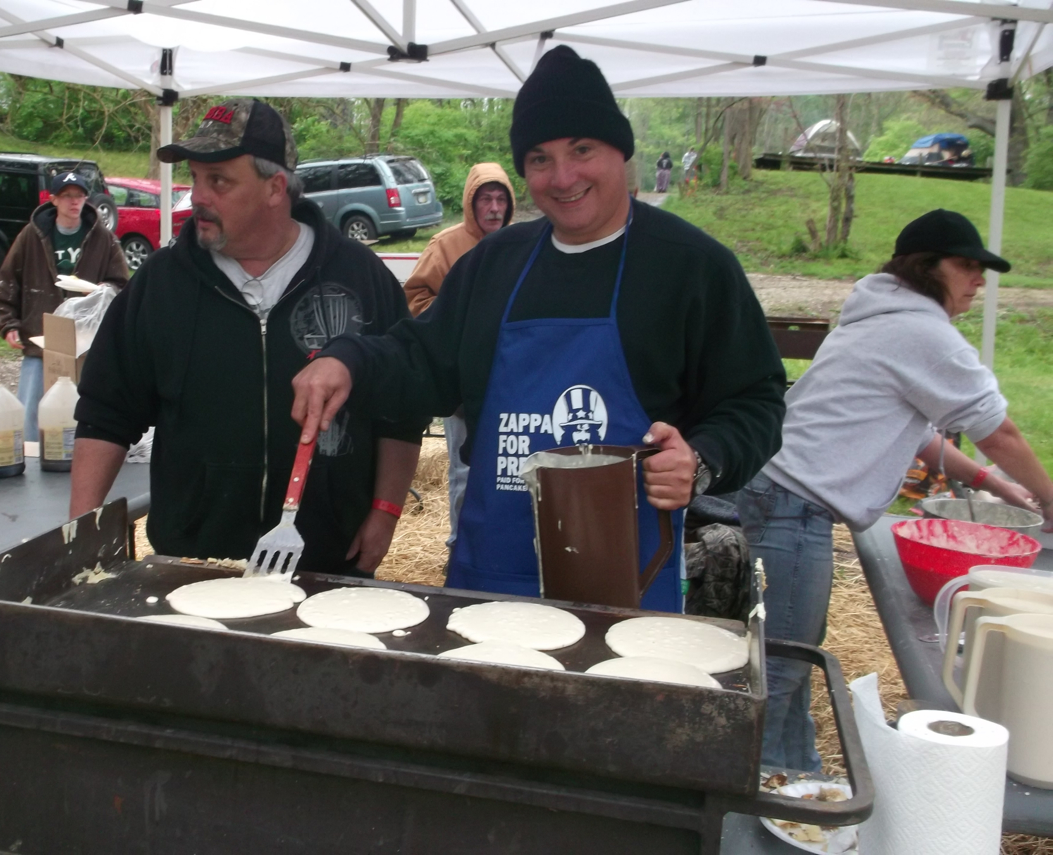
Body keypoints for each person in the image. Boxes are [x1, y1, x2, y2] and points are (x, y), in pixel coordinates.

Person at [291, 47, 785, 609]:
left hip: (628, 584)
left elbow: (756, 400)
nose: (563, 176)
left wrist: (701, 459)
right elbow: (423, 363)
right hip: (491, 575)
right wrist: (349, 359)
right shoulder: (493, 265)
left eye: (582, 150)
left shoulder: (691, 267)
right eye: (540, 158)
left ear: (619, 153)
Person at [738, 209, 1053, 773]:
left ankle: (798, 780)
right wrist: (1049, 498)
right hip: (789, 505)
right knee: (779, 667)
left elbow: (916, 431)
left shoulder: (878, 319)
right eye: (966, 266)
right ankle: (737, 810)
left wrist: (991, 483)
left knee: (787, 656)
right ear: (925, 269)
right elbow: (998, 431)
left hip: (773, 492)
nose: (979, 280)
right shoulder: (922, 331)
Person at [68, 99, 425, 574]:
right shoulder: (162, 284)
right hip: (192, 562)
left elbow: (400, 411)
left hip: (326, 561)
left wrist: (385, 512)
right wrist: (80, 533)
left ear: (276, 187)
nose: (197, 196)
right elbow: (105, 414)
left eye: (219, 181)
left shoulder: (361, 278)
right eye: (195, 177)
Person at [403, 163, 515, 550]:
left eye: (501, 199)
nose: (494, 208)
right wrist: (461, 327)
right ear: (471, 203)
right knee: (465, 467)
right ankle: (459, 546)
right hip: (462, 379)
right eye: (486, 199)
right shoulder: (446, 245)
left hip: (509, 378)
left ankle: (499, 544)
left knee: (510, 467)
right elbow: (415, 299)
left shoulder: (520, 245)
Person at [0, 171, 128, 443]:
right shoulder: (32, 235)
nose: (74, 202)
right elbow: (8, 280)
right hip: (41, 338)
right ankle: (30, 464)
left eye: (79, 196)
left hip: (87, 343)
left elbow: (121, 283)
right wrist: (8, 324)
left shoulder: (103, 237)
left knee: (85, 408)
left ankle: (78, 457)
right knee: (31, 409)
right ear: (53, 200)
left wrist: (100, 292)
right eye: (67, 196)